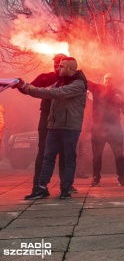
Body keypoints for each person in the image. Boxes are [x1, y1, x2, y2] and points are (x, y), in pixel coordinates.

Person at [17, 57, 87, 200]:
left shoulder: (79, 84)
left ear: (70, 69)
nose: (58, 69)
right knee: (48, 158)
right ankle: (42, 188)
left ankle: (66, 188)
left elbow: (56, 94)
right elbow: (44, 91)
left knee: (68, 158)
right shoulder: (59, 82)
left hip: (70, 127)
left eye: (61, 66)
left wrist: (28, 87)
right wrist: (23, 86)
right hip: (54, 126)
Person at [21, 53, 71, 199]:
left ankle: (65, 186)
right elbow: (29, 89)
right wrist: (19, 85)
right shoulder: (46, 77)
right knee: (43, 152)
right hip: (47, 117)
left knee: (65, 153)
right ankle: (38, 187)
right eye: (55, 62)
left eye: (60, 63)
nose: (57, 65)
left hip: (64, 118)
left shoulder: (72, 80)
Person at [87, 73, 124, 187]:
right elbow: (86, 82)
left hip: (115, 128)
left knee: (119, 154)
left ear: (115, 81)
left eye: (111, 78)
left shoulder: (119, 93)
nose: (108, 80)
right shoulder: (97, 89)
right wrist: (78, 71)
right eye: (106, 78)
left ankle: (121, 178)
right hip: (98, 128)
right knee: (96, 154)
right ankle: (96, 178)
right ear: (103, 80)